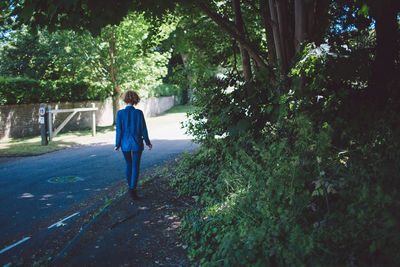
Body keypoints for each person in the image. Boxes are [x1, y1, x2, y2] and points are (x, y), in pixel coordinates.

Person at [115, 90, 152, 200]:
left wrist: (117, 144)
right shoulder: (139, 113)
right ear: (136, 99)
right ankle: (132, 189)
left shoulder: (120, 113)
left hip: (125, 144)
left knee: (128, 164)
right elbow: (143, 129)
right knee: (135, 166)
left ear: (125, 99)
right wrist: (148, 142)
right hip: (137, 144)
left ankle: (129, 186)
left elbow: (119, 131)